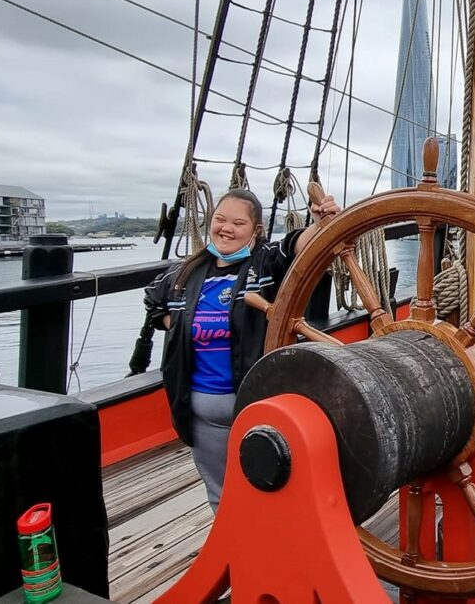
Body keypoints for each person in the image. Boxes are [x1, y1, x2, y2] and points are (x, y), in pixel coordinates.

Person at [143, 188, 340, 511]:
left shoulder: (263, 265)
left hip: (256, 402)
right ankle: (234, 555)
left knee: (272, 486)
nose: (226, 229)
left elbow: (296, 249)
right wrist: (178, 328)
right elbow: (153, 300)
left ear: (256, 230)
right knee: (221, 494)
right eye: (220, 220)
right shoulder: (185, 275)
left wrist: (319, 225)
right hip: (200, 408)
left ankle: (271, 552)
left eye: (238, 222)